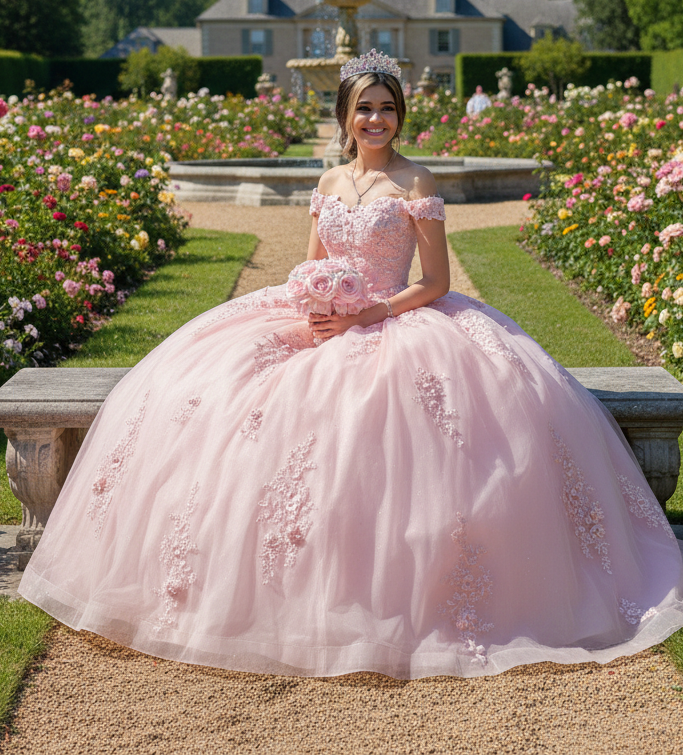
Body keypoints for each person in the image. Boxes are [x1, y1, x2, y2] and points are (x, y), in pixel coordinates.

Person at [19, 50, 683, 679]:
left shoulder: (415, 180)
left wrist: (368, 314)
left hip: (393, 316)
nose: (376, 120)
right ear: (344, 116)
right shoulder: (329, 179)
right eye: (364, 109)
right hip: (320, 316)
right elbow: (309, 263)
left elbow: (434, 281)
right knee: (203, 391)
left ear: (400, 115)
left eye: (387, 108)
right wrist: (311, 303)